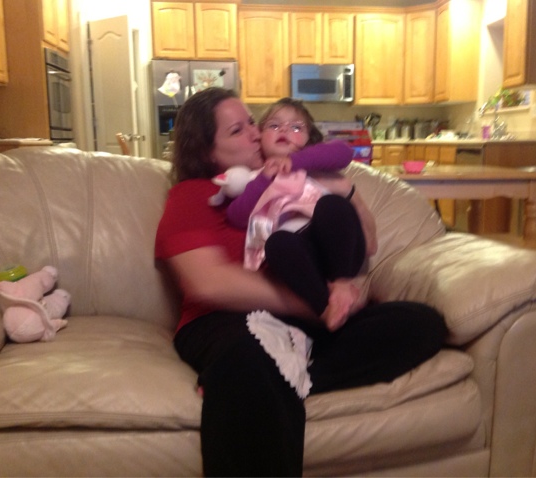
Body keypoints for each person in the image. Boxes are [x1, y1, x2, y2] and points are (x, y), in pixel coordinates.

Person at [154, 87, 447, 477]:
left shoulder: (295, 177)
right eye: (238, 130)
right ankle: (262, 373)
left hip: (308, 320)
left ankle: (281, 372)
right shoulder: (191, 195)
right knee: (250, 359)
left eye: (252, 123)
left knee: (421, 324)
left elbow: (367, 244)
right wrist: (313, 304)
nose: (256, 134)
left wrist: (347, 192)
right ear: (206, 151)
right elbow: (207, 283)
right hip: (227, 322)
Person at [224, 97, 371, 330]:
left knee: (332, 205)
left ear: (308, 139)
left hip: (337, 247)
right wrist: (264, 179)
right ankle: (326, 310)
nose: (284, 130)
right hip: (303, 258)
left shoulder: (312, 164)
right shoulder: (255, 178)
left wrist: (294, 161)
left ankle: (342, 285)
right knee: (276, 243)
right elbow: (237, 216)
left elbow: (344, 153)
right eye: (274, 125)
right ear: (260, 137)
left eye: (296, 127)